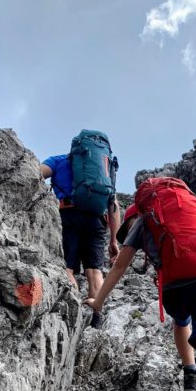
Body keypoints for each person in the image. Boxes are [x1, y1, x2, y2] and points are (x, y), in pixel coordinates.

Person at [87, 191, 196, 391]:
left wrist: (98, 301)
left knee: (181, 321)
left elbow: (120, 265)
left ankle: (190, 372)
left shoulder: (143, 221)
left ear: (133, 217)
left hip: (174, 288)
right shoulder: (186, 211)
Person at [40, 136, 120, 329]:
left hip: (68, 215)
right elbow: (114, 205)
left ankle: (72, 309)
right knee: (94, 270)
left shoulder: (58, 160)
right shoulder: (103, 169)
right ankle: (96, 316)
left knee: (68, 267)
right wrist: (114, 241)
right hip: (96, 219)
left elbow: (35, 173)